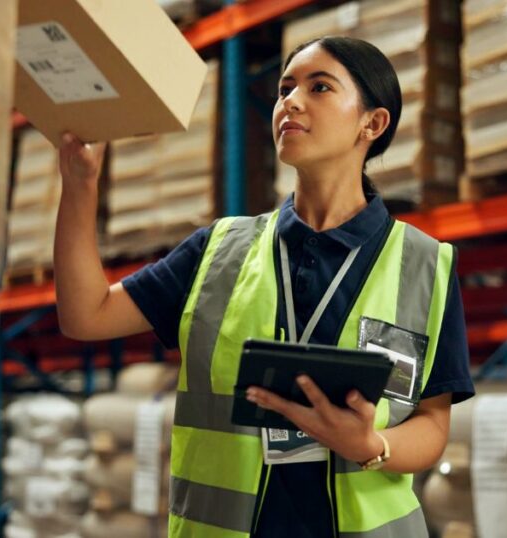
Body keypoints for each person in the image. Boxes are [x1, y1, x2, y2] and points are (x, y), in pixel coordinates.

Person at [53, 36, 474, 538]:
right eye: (285, 88)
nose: (290, 102)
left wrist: (371, 445)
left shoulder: (426, 265)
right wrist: (79, 187)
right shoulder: (219, 250)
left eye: (319, 87)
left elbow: (431, 424)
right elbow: (86, 314)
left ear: (373, 123)